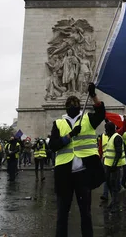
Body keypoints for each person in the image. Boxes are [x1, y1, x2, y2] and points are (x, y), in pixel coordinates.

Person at [49, 83, 106, 237]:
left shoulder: (88, 119)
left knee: (86, 214)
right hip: (64, 174)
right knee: (62, 215)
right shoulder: (58, 123)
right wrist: (70, 136)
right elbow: (53, 146)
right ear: (66, 107)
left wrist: (93, 96)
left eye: (75, 105)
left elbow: (101, 113)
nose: (73, 107)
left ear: (80, 106)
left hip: (83, 174)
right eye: (70, 105)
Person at [101, 121, 125, 213]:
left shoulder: (117, 138)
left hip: (114, 167)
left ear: (111, 130)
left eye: (106, 130)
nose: (105, 132)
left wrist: (114, 165)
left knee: (114, 185)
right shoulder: (110, 137)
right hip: (108, 165)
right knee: (109, 184)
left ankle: (116, 204)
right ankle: (113, 201)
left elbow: (118, 153)